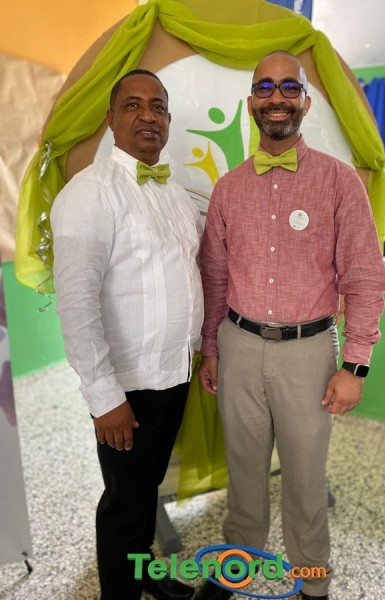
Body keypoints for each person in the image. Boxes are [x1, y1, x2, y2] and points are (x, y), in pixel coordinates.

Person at [197, 51, 385, 600]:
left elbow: (364, 278)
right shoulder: (228, 188)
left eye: (288, 87)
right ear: (251, 102)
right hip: (237, 346)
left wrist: (355, 365)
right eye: (265, 87)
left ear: (304, 102)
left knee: (305, 481)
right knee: (243, 473)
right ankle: (235, 567)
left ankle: (311, 581)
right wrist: (211, 348)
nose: (276, 97)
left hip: (308, 353)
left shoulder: (339, 181)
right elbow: (214, 277)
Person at [50, 69, 202, 600]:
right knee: (124, 503)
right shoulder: (89, 193)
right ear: (112, 118)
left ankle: (145, 576)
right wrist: (104, 396)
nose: (147, 115)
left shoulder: (176, 194)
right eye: (133, 105)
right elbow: (76, 302)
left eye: (157, 106)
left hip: (174, 374)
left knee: (145, 491)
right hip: (127, 388)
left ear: (168, 120)